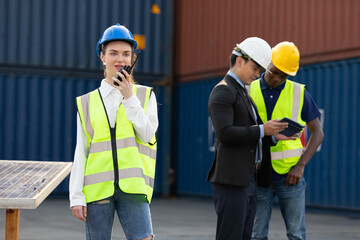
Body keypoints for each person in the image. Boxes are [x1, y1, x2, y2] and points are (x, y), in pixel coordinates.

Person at [69, 23, 158, 240]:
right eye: (113, 53)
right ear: (102, 56)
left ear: (133, 58)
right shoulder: (87, 102)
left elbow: (148, 135)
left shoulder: (145, 96)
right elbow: (82, 151)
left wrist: (129, 97)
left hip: (134, 187)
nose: (120, 59)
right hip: (98, 190)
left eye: (126, 54)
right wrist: (76, 196)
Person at [207, 37, 295, 240]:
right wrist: (263, 130)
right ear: (240, 61)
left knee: (245, 236)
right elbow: (225, 133)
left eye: (261, 71)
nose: (258, 75)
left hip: (247, 180)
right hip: (232, 181)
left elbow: (251, 133)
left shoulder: (242, 93)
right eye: (256, 69)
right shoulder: (223, 91)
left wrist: (272, 136)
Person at [250, 41, 324, 240]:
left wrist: (300, 166)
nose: (277, 78)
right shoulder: (249, 90)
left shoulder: (299, 93)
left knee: (296, 234)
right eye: (274, 71)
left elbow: (318, 133)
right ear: (268, 63)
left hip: (290, 178)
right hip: (258, 176)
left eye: (284, 75)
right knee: (256, 235)